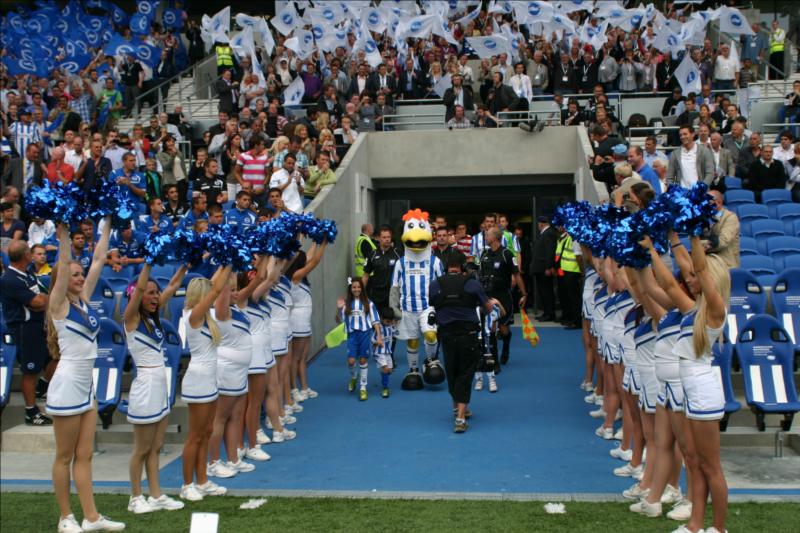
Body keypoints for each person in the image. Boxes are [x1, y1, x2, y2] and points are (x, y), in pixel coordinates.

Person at [641, 234, 731, 533]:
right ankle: (695, 525)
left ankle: (718, 529)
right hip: (687, 389)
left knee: (710, 466)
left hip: (703, 391)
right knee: (696, 463)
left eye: (695, 275)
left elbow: (701, 271)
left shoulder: (716, 313)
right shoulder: (693, 310)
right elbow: (666, 283)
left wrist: (692, 236)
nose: (689, 279)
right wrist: (657, 246)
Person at [46, 218, 125, 532]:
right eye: (74, 275)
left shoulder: (82, 301)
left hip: (85, 385)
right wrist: (64, 234)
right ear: (63, 279)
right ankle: (66, 517)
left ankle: (91, 517)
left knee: (84, 455)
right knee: (64, 456)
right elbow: (65, 262)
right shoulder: (58, 305)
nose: (80, 278)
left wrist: (107, 225)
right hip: (66, 384)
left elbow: (97, 260)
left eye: (80, 275)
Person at [124, 263, 187, 514]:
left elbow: (171, 287)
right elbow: (139, 288)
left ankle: (156, 494)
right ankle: (135, 497)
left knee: (156, 446)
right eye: (149, 293)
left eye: (155, 293)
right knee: (141, 448)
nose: (154, 297)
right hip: (146, 386)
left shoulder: (152, 318)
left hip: (160, 385)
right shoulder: (131, 319)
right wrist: (148, 264)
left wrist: (185, 267)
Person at [429, 252, 502, 433]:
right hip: (468, 335)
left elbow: (433, 305)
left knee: (453, 372)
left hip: (446, 335)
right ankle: (460, 418)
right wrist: (492, 303)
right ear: (462, 266)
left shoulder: (435, 284)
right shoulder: (472, 283)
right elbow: (487, 308)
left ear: (447, 266)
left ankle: (458, 408)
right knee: (465, 374)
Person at [179, 264, 234, 502]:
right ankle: (187, 484)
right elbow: (216, 290)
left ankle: (202, 480)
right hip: (198, 380)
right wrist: (231, 261)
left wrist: (224, 263)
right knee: (195, 435)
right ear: (199, 298)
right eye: (206, 296)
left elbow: (214, 285)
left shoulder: (206, 317)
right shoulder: (192, 316)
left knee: (207, 431)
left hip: (210, 379)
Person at [206, 268, 261, 479]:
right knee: (220, 418)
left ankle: (233, 459)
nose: (235, 293)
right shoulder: (220, 312)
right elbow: (217, 288)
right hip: (227, 371)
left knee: (236, 417)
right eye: (231, 290)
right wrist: (226, 267)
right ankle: (213, 462)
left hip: (240, 372)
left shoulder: (235, 309)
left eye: (236, 290)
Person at [0, 241, 53, 425]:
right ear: (26, 256)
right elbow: (37, 302)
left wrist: (45, 300)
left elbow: (42, 298)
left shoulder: (27, 274)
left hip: (39, 325)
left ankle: (42, 386)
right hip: (25, 328)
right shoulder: (10, 279)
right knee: (30, 371)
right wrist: (48, 300)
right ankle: (31, 412)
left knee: (56, 356)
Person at [477, 228, 527, 365]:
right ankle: (494, 362)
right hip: (487, 296)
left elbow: (516, 274)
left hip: (503, 295)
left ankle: (506, 347)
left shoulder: (507, 253)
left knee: (504, 330)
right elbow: (478, 274)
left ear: (494, 237)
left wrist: (524, 294)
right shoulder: (484, 253)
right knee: (491, 329)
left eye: (487, 235)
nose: (485, 237)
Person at [336, 278, 383, 401]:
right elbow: (338, 320)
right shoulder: (346, 304)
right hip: (352, 335)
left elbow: (375, 321)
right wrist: (338, 308)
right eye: (354, 287)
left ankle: (363, 388)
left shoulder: (369, 303)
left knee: (362, 360)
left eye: (358, 287)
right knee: (351, 361)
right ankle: (354, 376)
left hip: (365, 334)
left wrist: (378, 335)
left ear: (362, 288)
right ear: (350, 289)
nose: (356, 289)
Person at [703, 190, 741, 269]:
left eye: (708, 203)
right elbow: (693, 240)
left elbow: (721, 242)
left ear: (719, 202)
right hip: (708, 265)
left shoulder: (730, 218)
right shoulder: (704, 218)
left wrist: (700, 245)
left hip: (726, 267)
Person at [531, 216, 558, 322]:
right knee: (543, 292)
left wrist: (548, 267)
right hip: (540, 268)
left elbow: (549, 251)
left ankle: (549, 314)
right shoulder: (545, 234)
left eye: (538, 224)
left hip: (543, 269)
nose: (538, 226)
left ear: (541, 224)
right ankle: (547, 312)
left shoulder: (549, 233)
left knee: (546, 292)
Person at [554, 224, 582, 329]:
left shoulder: (573, 238)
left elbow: (578, 255)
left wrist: (581, 271)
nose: (557, 227)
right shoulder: (563, 237)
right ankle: (569, 318)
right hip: (564, 270)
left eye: (560, 225)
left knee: (574, 298)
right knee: (567, 296)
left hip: (572, 271)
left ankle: (576, 321)